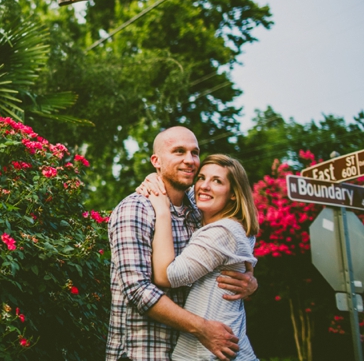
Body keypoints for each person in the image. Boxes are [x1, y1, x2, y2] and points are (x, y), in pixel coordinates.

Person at [106, 127, 257, 361]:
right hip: (144, 352)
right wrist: (202, 328)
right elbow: (139, 291)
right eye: (179, 152)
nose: (189, 160)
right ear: (156, 160)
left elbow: (229, 253)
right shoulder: (135, 210)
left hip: (193, 352)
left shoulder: (199, 212)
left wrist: (250, 282)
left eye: (194, 153)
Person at [148, 154, 259, 360]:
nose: (205, 186)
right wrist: (156, 177)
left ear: (233, 194)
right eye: (201, 177)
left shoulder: (222, 232)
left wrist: (162, 211)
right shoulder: (231, 227)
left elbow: (167, 276)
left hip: (212, 352)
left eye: (217, 181)